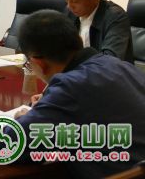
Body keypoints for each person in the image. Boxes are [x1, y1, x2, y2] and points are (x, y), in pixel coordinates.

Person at [10, 10, 145, 178]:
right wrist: (49, 107)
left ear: (39, 63)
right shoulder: (120, 65)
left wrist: (25, 118)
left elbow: (6, 146)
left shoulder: (69, 87)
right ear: (79, 41)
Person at [63, 0, 133, 62]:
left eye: (75, 1)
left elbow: (110, 61)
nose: (69, 6)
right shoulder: (70, 12)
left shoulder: (116, 17)